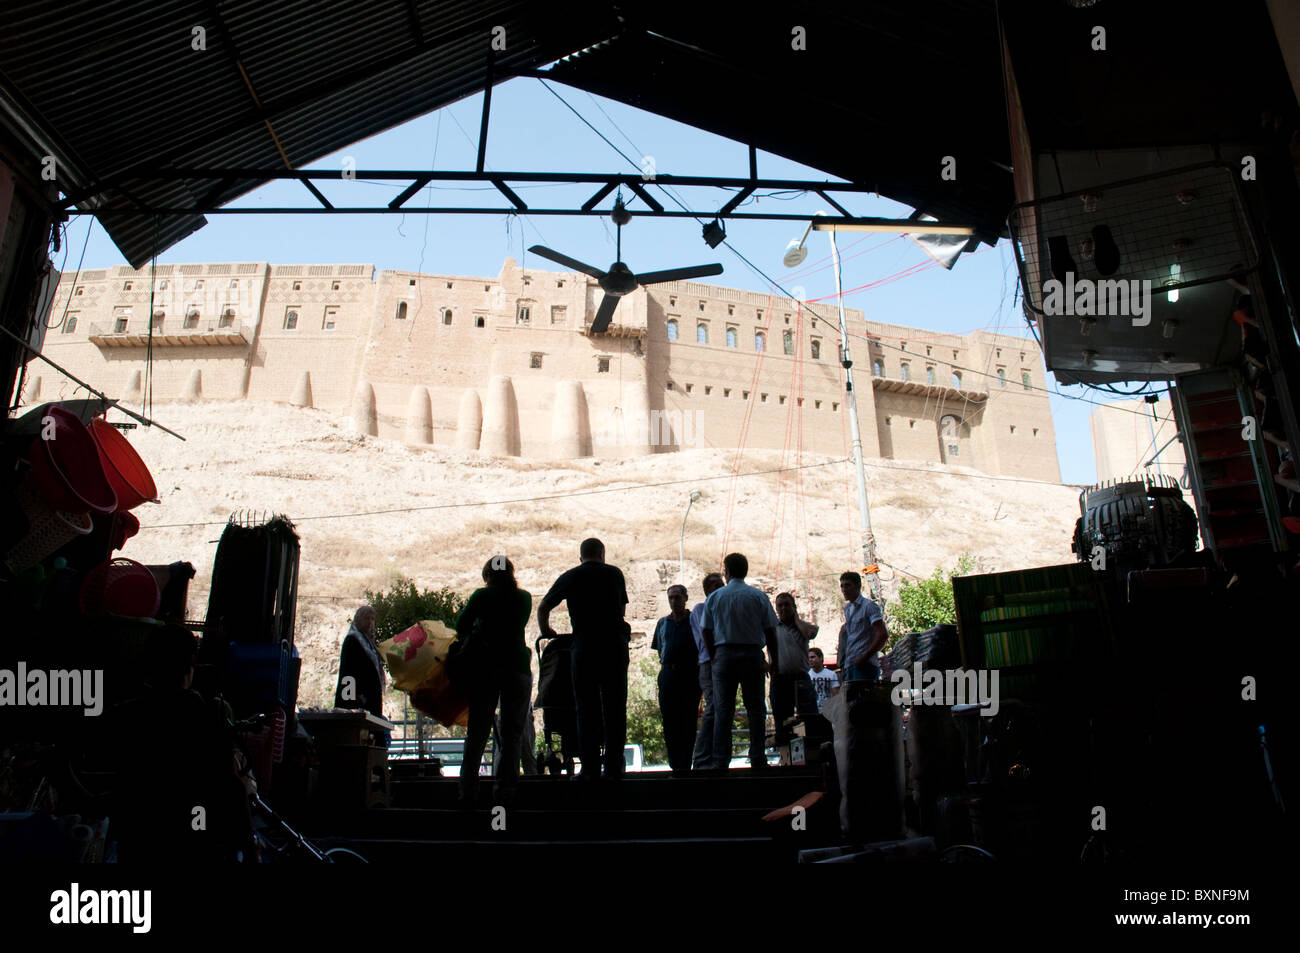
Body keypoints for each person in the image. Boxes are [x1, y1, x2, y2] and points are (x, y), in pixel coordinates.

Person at [112, 625, 252, 863]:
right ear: (191, 666)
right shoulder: (211, 715)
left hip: (138, 842)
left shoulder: (123, 715)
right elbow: (230, 789)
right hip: (197, 841)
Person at [538, 538, 630, 781]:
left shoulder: (570, 576)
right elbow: (621, 611)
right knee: (615, 709)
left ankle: (589, 769)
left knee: (585, 708)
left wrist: (547, 630)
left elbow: (544, 607)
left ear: (581, 557)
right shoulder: (614, 574)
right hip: (613, 647)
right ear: (602, 553)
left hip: (584, 648)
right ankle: (613, 768)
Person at [454, 556, 534, 806]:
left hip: (485, 670)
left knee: (477, 733)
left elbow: (461, 625)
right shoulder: (524, 598)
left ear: (487, 575)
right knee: (512, 734)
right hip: (517, 668)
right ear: (511, 572)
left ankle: (467, 792)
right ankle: (505, 793)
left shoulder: (481, 597)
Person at [701, 553, 779, 771]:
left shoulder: (715, 598)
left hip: (724, 655)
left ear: (727, 571)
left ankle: (720, 760)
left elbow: (705, 629)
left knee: (723, 709)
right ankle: (757, 758)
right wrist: (774, 661)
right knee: (755, 708)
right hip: (753, 655)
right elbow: (770, 631)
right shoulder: (757, 596)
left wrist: (714, 656)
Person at [836, 570, 894, 841]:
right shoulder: (848, 610)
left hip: (864, 669)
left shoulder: (868, 606)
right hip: (850, 668)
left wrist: (865, 656)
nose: (844, 588)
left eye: (848, 584)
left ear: (858, 586)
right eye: (842, 585)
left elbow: (882, 634)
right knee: (852, 719)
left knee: (864, 717)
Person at [652, 584, 702, 775]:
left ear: (685, 598)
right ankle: (675, 764)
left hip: (690, 675)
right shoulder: (662, 623)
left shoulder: (694, 621)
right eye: (671, 598)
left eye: (677, 597)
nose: (674, 601)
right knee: (669, 720)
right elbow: (660, 649)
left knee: (688, 720)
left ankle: (684, 764)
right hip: (668, 675)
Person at [769, 592, 819, 752]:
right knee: (782, 722)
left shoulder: (803, 626)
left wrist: (796, 620)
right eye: (780, 605)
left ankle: (812, 755)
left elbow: (810, 633)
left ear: (794, 607)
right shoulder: (771, 628)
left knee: (809, 718)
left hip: (801, 678)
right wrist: (765, 664)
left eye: (787, 604)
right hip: (780, 679)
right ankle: (785, 757)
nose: (784, 608)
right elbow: (756, 643)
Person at [335, 605, 388, 747]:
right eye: (367, 618)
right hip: (359, 701)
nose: (370, 622)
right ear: (358, 619)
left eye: (372, 619)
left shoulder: (367, 642)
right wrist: (351, 699)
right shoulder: (353, 640)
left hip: (370, 699)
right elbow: (348, 671)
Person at [690, 572, 725, 770]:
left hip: (722, 661)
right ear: (706, 591)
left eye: (721, 585)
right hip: (708, 662)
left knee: (721, 707)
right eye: (715, 586)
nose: (719, 589)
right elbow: (706, 638)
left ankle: (716, 756)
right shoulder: (700, 609)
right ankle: (702, 757)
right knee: (712, 707)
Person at [807, 647, 840, 713]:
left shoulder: (831, 674)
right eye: (809, 658)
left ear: (821, 658)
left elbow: (835, 694)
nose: (810, 660)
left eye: (813, 657)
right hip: (812, 711)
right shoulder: (807, 675)